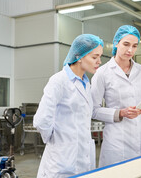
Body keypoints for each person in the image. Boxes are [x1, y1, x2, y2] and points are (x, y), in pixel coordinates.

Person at [33, 34, 104, 178]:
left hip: (83, 156)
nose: (99, 62)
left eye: (100, 57)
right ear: (79, 56)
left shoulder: (86, 83)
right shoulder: (58, 81)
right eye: (94, 57)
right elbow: (41, 120)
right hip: (61, 160)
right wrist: (58, 143)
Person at [91, 25, 141, 167]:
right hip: (117, 143)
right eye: (126, 44)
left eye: (134, 46)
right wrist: (120, 113)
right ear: (116, 43)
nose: (130, 50)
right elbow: (93, 110)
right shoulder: (102, 73)